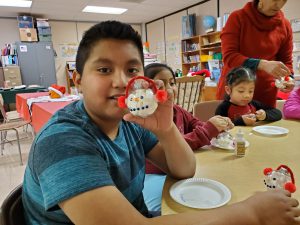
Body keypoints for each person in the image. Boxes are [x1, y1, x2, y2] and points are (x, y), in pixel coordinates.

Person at [22, 20, 300, 225]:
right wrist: (251, 213)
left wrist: (166, 129)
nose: (121, 82)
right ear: (78, 80)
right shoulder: (63, 140)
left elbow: (185, 169)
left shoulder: (130, 121)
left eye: (131, 69)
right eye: (104, 69)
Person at [143, 63, 234, 212]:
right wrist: (207, 130)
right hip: (155, 175)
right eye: (160, 85)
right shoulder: (146, 119)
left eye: (172, 83)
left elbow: (197, 124)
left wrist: (216, 125)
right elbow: (171, 149)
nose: (169, 89)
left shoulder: (178, 110)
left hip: (181, 172)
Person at [217, 0, 295, 108]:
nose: (279, 5)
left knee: (264, 122)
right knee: (231, 123)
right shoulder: (238, 18)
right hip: (235, 92)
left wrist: (289, 78)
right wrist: (262, 64)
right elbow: (230, 56)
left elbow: (286, 61)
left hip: (265, 95)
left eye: (284, 0)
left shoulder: (285, 25)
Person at [215, 67, 282, 126]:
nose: (247, 96)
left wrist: (265, 115)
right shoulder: (223, 108)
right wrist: (241, 121)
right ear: (228, 90)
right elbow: (217, 126)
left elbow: (278, 113)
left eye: (250, 91)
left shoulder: (254, 104)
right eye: (241, 91)